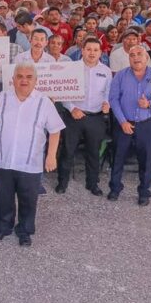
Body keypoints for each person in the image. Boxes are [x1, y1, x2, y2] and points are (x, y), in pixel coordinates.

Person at [0, 62, 64, 246]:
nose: (24, 80)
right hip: (4, 159)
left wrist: (51, 156)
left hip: (30, 162)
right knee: (3, 197)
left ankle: (25, 231)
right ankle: (3, 227)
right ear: (13, 79)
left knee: (28, 199)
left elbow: (55, 130)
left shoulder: (44, 102)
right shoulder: (2, 97)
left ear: (35, 80)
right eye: (19, 76)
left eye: (28, 77)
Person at [108, 45, 151, 205]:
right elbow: (113, 99)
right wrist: (122, 121)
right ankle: (115, 188)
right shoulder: (120, 75)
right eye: (132, 55)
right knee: (118, 158)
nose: (136, 57)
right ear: (129, 59)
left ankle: (144, 192)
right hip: (124, 124)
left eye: (139, 54)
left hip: (146, 124)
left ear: (146, 57)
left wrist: (149, 104)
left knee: (146, 160)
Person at [56, 38, 110, 196]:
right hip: (74, 116)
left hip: (96, 117)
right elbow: (63, 91)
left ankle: (92, 183)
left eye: (95, 50)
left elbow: (108, 92)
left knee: (93, 152)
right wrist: (72, 108)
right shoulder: (72, 68)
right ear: (82, 51)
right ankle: (62, 182)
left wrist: (107, 103)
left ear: (100, 53)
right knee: (68, 151)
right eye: (89, 49)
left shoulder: (106, 71)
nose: (92, 53)